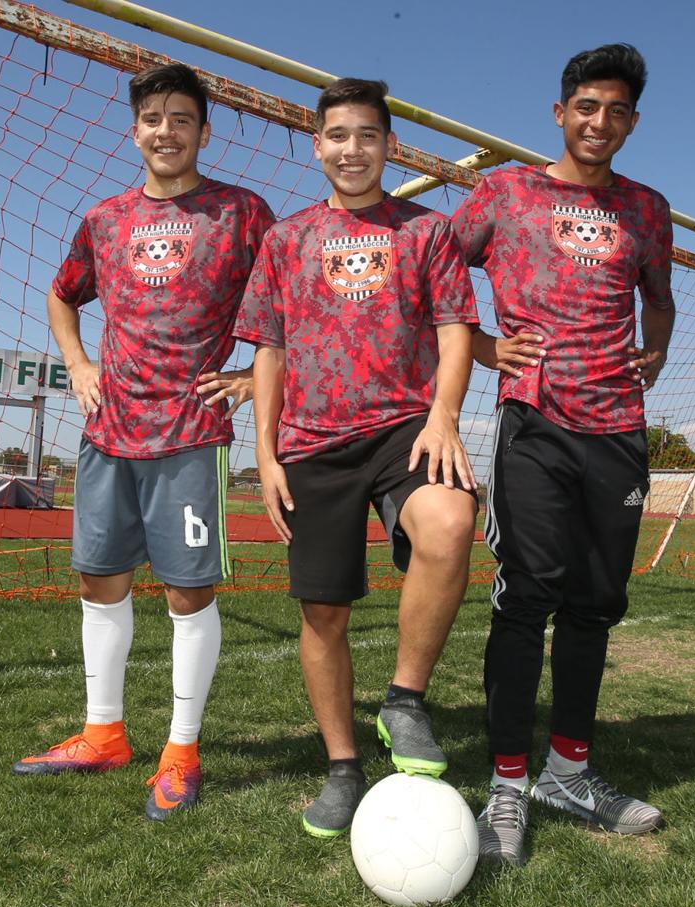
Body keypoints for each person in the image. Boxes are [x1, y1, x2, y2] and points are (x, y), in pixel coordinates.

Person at [12, 63, 275, 823]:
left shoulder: (242, 212)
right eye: (154, 118)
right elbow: (63, 293)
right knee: (99, 580)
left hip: (190, 432)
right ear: (135, 131)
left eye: (181, 118)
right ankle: (104, 733)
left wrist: (254, 377)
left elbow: (290, 301)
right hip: (109, 429)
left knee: (188, 591)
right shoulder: (105, 219)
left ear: (204, 131)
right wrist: (78, 363)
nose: (167, 131)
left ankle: (181, 751)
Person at [234, 78, 480, 838]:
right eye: (337, 135)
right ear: (317, 146)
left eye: (367, 135)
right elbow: (269, 352)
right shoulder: (286, 240)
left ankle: (403, 701)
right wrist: (266, 454)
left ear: (390, 146)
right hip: (313, 442)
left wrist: (444, 416)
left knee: (451, 521)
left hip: (406, 428)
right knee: (324, 612)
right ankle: (342, 767)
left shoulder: (428, 231)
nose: (352, 149)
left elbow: (455, 332)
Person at [451, 43, 676, 864]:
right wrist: (482, 346)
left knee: (596, 600)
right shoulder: (507, 192)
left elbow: (660, 298)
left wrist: (655, 352)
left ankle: (569, 773)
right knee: (528, 594)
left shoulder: (646, 208)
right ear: (559, 112)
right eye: (586, 106)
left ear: (633, 122)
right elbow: (435, 269)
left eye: (616, 110)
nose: (599, 122)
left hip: (617, 428)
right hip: (536, 422)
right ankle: (508, 782)